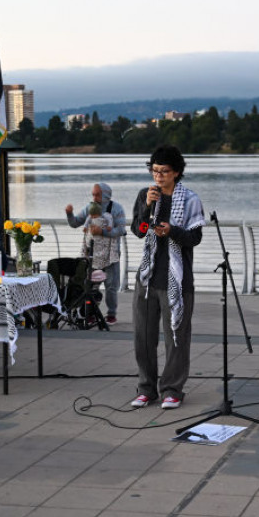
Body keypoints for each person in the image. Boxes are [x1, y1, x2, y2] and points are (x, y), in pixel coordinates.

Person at [129, 146, 204, 409]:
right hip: (148, 278)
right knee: (144, 336)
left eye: (164, 172)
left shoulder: (191, 199)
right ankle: (146, 388)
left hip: (177, 279)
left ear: (177, 172)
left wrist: (172, 231)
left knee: (176, 337)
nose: (158, 177)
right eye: (155, 171)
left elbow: (194, 238)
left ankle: (172, 389)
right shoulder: (145, 195)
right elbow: (138, 231)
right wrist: (147, 206)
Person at [66, 182, 126, 324]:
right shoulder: (89, 207)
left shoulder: (117, 209)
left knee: (111, 286)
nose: (94, 197)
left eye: (97, 194)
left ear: (106, 194)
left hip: (110, 254)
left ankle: (111, 313)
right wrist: (69, 214)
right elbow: (75, 223)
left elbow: (121, 230)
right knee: (91, 285)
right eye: (93, 194)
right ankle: (90, 312)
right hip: (91, 254)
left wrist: (103, 232)